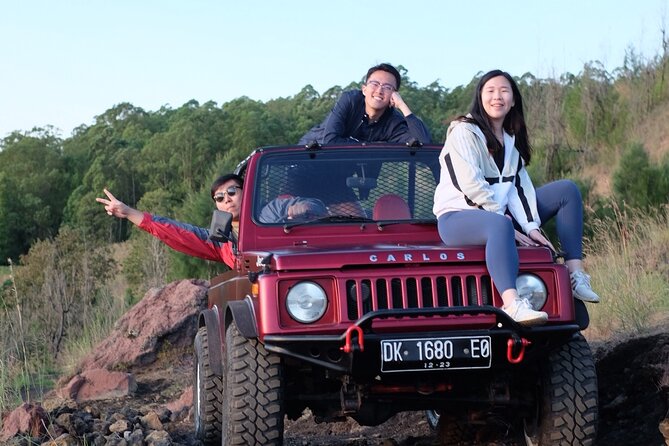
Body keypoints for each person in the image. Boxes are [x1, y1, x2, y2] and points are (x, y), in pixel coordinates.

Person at [433, 69, 600, 326]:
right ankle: (513, 303)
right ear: (480, 97)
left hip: (499, 215)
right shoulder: (463, 132)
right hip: (457, 217)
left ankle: (576, 275)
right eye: (490, 91)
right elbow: (468, 185)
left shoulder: (511, 138)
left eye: (504, 91)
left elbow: (519, 189)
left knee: (567, 190)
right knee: (501, 224)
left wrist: (531, 226)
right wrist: (508, 225)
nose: (496, 97)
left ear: (513, 100)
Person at [96, 173, 244, 268]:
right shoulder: (222, 243)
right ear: (216, 205)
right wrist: (128, 212)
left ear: (247, 191)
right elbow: (176, 232)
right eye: (219, 197)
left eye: (232, 192)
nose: (227, 200)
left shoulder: (266, 220)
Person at [298, 63, 432, 145]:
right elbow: (330, 140)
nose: (379, 91)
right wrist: (366, 145)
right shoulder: (350, 100)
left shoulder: (393, 122)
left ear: (394, 95)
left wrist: (403, 106)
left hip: (337, 175)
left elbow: (423, 142)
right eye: (375, 84)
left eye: (387, 87)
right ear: (364, 89)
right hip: (306, 162)